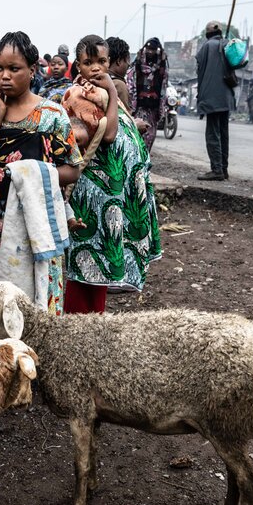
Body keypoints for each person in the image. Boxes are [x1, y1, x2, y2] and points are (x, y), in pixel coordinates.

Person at [0, 31, 82, 314]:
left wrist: (30, 173)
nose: (5, 76)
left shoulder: (52, 114)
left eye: (14, 69)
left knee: (36, 298)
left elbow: (72, 170)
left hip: (37, 220)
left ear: (31, 70)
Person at [61, 35, 161, 314]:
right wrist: (114, 94)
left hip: (107, 195)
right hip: (91, 194)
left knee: (99, 263)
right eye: (88, 62)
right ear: (77, 66)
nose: (96, 68)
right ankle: (78, 326)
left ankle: (94, 321)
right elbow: (109, 134)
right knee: (86, 262)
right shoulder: (79, 94)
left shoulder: (101, 91)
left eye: (101, 61)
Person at [195, 21, 235, 181]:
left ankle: (217, 170)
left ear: (208, 32)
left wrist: (200, 98)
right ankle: (223, 169)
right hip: (226, 97)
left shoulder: (206, 46)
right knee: (223, 133)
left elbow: (200, 70)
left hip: (211, 97)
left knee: (213, 134)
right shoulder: (227, 44)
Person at [127, 37, 168, 152]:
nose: (150, 51)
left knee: (150, 136)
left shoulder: (162, 65)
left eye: (153, 49)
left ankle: (145, 159)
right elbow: (131, 81)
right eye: (148, 48)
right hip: (138, 107)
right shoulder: (138, 62)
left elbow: (163, 86)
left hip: (153, 108)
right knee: (135, 135)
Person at [106, 36, 132, 107]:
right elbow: (124, 116)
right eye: (127, 60)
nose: (128, 64)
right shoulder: (119, 85)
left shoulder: (98, 79)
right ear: (119, 61)